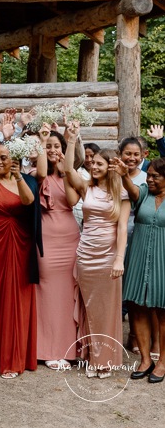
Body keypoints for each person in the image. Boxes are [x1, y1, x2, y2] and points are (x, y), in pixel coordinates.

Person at [64, 122, 129, 378]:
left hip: (108, 257)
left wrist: (119, 259)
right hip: (86, 254)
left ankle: (106, 359)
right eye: (93, 164)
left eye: (100, 164)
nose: (94, 166)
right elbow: (68, 169)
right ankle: (91, 357)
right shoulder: (86, 187)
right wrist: (71, 139)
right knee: (89, 308)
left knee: (107, 308)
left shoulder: (121, 193)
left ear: (111, 166)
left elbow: (122, 228)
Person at [0, 141, 42, 379]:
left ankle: (13, 358)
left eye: (3, 157)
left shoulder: (29, 181)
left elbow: (28, 201)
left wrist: (19, 177)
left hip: (19, 245)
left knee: (16, 299)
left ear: (15, 159)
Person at [33, 127, 80, 370]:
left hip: (70, 237)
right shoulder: (36, 173)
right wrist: (41, 142)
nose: (52, 150)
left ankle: (67, 348)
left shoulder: (68, 174)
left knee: (66, 292)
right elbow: (42, 172)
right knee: (47, 292)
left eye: (55, 146)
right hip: (47, 237)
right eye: (49, 146)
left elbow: (72, 201)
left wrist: (65, 171)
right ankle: (47, 348)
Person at [115, 157, 165, 382]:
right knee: (136, 307)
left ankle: (162, 362)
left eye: (156, 176)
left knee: (162, 311)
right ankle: (145, 359)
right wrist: (125, 174)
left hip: (162, 259)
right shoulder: (144, 192)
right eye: (150, 175)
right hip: (138, 256)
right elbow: (133, 191)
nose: (151, 179)